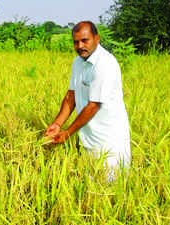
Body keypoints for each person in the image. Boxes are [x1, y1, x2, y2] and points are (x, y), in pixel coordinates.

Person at [45, 21, 130, 180]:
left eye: (85, 40)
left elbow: (93, 106)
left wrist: (67, 134)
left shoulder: (105, 64)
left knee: (109, 192)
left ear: (97, 39)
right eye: (76, 42)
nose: (80, 46)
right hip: (88, 139)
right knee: (88, 189)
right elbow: (71, 96)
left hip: (109, 141)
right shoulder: (78, 62)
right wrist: (57, 125)